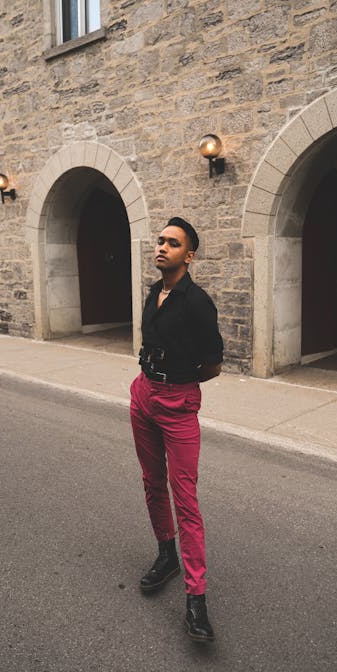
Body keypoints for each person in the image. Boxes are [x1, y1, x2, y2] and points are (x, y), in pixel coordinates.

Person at [130, 217, 223, 642]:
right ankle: (166, 554)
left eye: (173, 242)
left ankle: (196, 598)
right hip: (142, 395)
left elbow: (213, 365)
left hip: (178, 403)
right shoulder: (154, 292)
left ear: (189, 255)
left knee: (186, 499)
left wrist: (179, 383)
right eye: (161, 240)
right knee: (152, 482)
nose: (162, 246)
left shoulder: (198, 301)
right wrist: (152, 383)